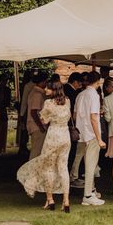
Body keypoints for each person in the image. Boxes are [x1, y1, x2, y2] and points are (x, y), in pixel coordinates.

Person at [17, 81, 72, 213]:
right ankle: (66, 201)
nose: (46, 90)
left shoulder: (48, 103)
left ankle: (50, 199)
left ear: (53, 90)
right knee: (63, 168)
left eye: (48, 88)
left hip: (53, 136)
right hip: (65, 136)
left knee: (48, 167)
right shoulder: (68, 101)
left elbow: (44, 119)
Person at [75, 71, 106, 206]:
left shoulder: (80, 94)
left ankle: (91, 190)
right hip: (91, 133)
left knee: (87, 162)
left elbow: (75, 114)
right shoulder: (94, 95)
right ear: (98, 82)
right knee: (91, 164)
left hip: (81, 132)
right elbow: (94, 117)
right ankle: (87, 195)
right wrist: (99, 138)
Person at [27, 72, 49, 160]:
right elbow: (34, 112)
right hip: (37, 126)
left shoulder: (35, 92)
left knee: (38, 150)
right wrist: (41, 126)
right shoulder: (37, 94)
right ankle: (30, 172)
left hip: (36, 125)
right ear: (43, 82)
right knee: (36, 151)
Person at [18, 70, 35, 154]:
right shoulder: (27, 86)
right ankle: (22, 146)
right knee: (24, 129)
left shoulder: (30, 85)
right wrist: (22, 113)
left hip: (30, 109)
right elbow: (24, 100)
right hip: (27, 110)